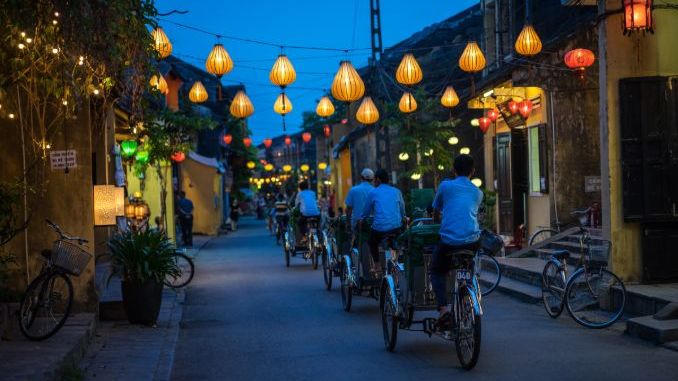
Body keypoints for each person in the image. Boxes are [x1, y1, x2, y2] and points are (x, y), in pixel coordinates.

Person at [430, 154, 483, 322]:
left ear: (453, 170)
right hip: (473, 241)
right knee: (468, 260)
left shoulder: (445, 186)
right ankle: (468, 284)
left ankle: (444, 309)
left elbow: (436, 211)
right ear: (473, 171)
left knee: (437, 270)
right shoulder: (478, 192)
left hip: (449, 242)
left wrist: (438, 220)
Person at [359, 169, 405, 273]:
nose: (374, 181)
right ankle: (398, 259)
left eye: (374, 179)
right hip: (395, 228)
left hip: (380, 229)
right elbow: (402, 209)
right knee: (400, 241)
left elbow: (365, 211)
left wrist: (361, 220)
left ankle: (377, 265)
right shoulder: (397, 191)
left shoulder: (373, 192)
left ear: (378, 179)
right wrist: (404, 217)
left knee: (372, 242)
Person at [344, 168, 374, 244]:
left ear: (361, 177)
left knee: (356, 243)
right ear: (372, 179)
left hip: (358, 224)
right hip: (373, 223)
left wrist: (348, 224)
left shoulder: (354, 190)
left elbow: (349, 209)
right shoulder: (375, 191)